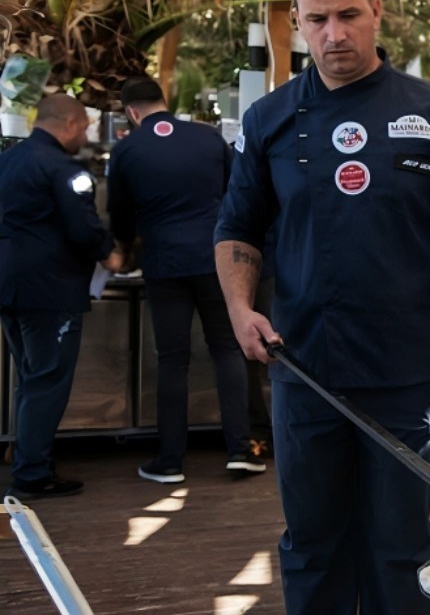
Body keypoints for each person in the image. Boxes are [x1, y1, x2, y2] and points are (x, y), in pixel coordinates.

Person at [212, 0, 430, 611]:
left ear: (377, 10)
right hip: (303, 369)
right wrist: (238, 308)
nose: (333, 34)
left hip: (406, 376)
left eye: (347, 15)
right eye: (316, 20)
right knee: (313, 542)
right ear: (300, 22)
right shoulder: (269, 120)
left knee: (400, 545)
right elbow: (237, 229)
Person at [107, 77, 264, 484]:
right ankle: (241, 450)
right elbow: (237, 197)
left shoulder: (126, 149)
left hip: (164, 263)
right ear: (165, 101)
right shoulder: (209, 138)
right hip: (216, 259)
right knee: (227, 349)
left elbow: (119, 213)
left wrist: (124, 248)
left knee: (172, 359)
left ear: (131, 112)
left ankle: (170, 460)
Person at [0, 95, 123, 499]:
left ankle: (27, 457)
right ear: (69, 123)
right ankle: (33, 474)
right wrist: (110, 253)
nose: (86, 134)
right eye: (85, 127)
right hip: (48, 289)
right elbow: (82, 225)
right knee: (48, 379)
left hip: (11, 285)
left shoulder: (9, 160)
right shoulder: (64, 168)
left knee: (30, 376)